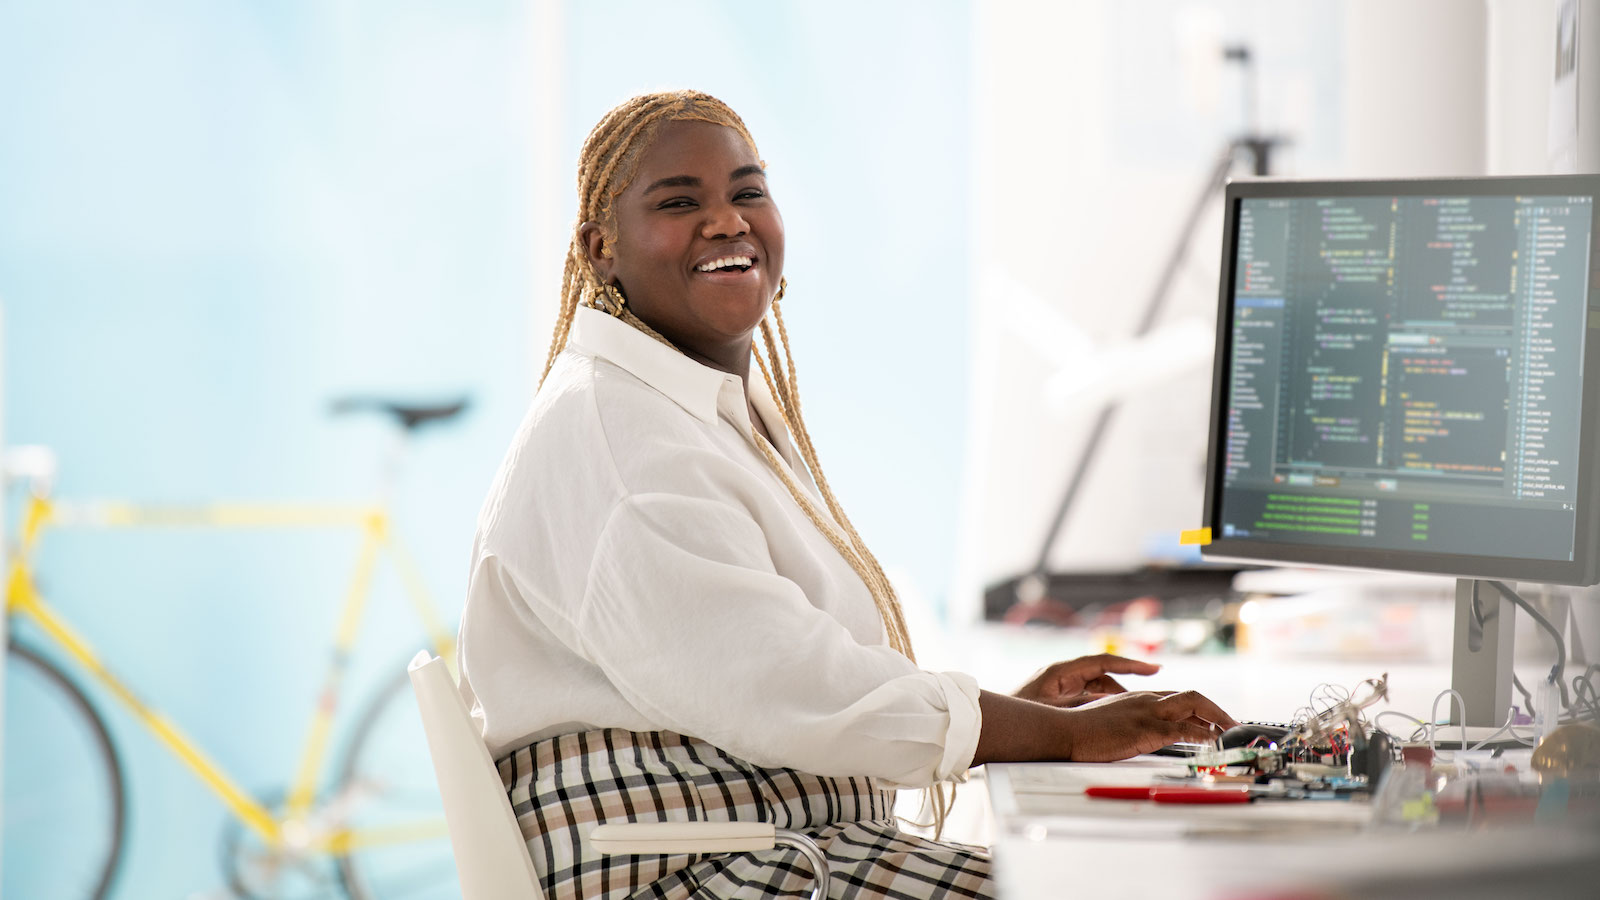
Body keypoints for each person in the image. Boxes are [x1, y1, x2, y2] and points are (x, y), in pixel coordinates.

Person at [457, 89, 1238, 900]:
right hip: (689, 872)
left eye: (747, 192)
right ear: (601, 248)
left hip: (760, 842)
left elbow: (785, 668)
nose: (726, 221)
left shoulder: (681, 408)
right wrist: (1057, 737)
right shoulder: (623, 444)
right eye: (679, 202)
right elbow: (791, 684)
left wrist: (1017, 712)